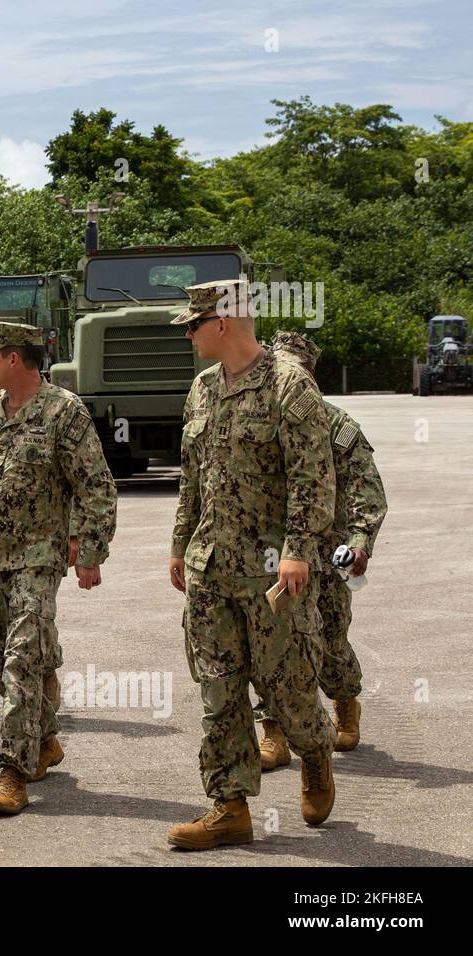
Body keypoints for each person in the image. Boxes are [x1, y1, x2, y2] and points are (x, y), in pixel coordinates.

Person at [166, 280, 339, 850]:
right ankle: (229, 805)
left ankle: (314, 750)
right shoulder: (201, 389)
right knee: (218, 688)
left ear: (221, 323)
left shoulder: (291, 387)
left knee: (287, 689)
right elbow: (191, 477)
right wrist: (179, 544)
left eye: (192, 324)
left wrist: (296, 551)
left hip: (270, 573)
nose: (187, 335)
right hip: (210, 567)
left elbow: (313, 480)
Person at [0, 320, 117, 814]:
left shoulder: (63, 413)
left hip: (38, 559)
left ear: (14, 359)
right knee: (2, 662)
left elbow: (96, 487)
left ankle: (12, 771)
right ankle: (45, 739)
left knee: (22, 661)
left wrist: (90, 553)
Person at [253, 331, 388, 767]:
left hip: (327, 553)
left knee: (328, 636)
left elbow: (367, 492)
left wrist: (359, 541)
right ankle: (273, 730)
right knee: (271, 641)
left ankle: (345, 701)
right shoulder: (258, 420)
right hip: (271, 552)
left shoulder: (336, 426)